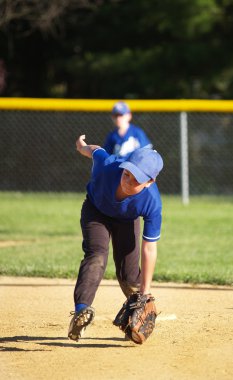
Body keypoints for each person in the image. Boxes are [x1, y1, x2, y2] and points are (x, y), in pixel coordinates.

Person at [68, 134, 163, 342]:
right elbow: (96, 151)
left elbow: (149, 248)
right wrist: (81, 147)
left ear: (150, 182)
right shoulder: (109, 167)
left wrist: (146, 291)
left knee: (129, 276)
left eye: (136, 178)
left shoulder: (152, 203)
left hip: (126, 220)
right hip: (96, 211)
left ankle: (136, 315)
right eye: (127, 173)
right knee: (97, 255)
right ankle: (81, 312)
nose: (128, 180)